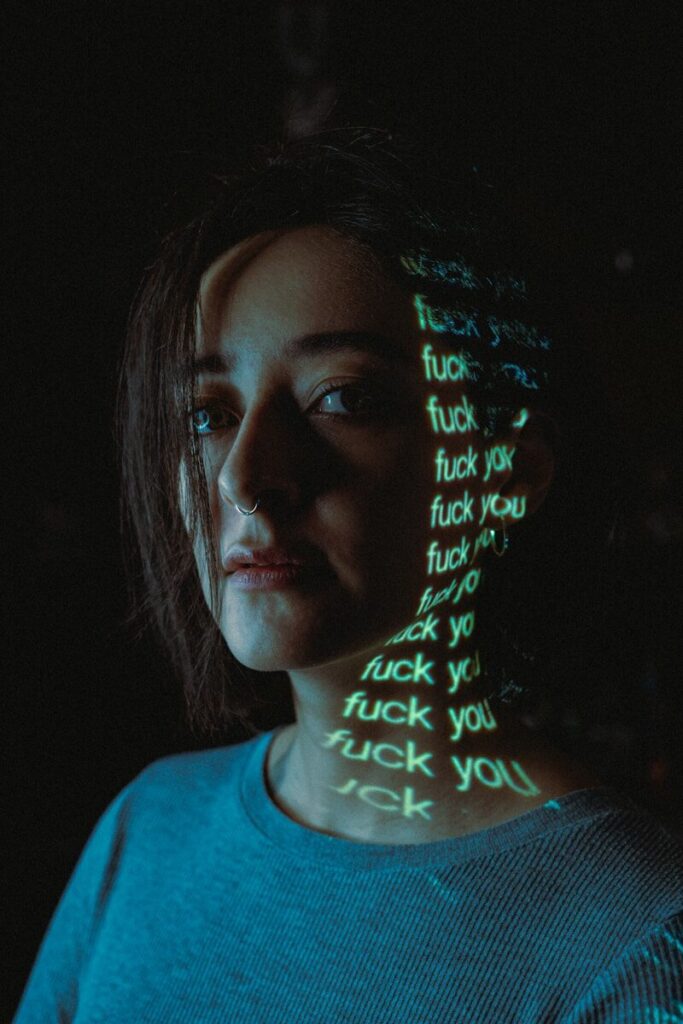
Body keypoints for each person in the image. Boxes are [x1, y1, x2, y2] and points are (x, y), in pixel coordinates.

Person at [13, 130, 683, 1022]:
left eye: (343, 398)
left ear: (503, 468)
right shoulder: (148, 831)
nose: (246, 478)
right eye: (208, 412)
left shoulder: (631, 938)